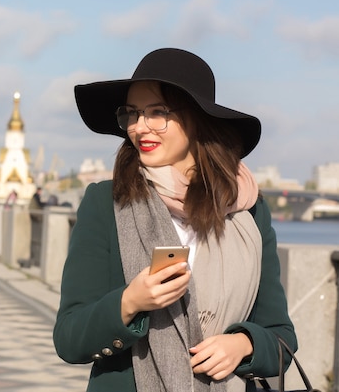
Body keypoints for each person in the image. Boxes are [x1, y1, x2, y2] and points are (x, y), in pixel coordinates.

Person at [53, 48, 296, 392]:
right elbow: (69, 338)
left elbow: (281, 334)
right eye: (133, 113)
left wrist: (243, 345)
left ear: (199, 119)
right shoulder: (106, 203)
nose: (140, 127)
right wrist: (130, 302)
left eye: (158, 112)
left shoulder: (248, 212)